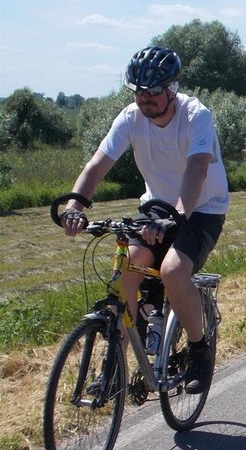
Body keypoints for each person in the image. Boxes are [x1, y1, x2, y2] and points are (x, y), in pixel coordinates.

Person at [59, 46, 229, 395]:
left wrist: (177, 216)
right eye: (138, 91)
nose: (144, 99)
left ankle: (199, 351)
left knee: (173, 271)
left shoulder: (195, 115)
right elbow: (97, 165)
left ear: (172, 89)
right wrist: (75, 205)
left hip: (203, 207)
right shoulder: (130, 118)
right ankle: (115, 367)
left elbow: (197, 169)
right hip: (156, 206)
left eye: (152, 91)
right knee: (127, 270)